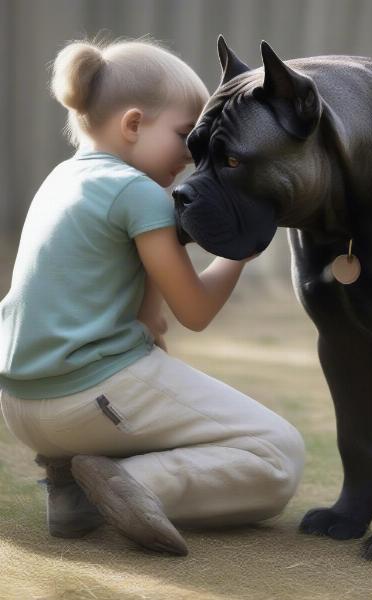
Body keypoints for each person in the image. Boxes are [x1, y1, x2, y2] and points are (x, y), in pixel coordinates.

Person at [0, 37, 305, 557]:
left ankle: (71, 490)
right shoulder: (138, 192)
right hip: (86, 396)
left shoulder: (62, 179)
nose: (190, 159)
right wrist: (241, 250)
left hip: (21, 403)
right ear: (134, 124)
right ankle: (137, 483)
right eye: (185, 137)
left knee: (168, 399)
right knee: (278, 455)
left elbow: (150, 319)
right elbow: (195, 311)